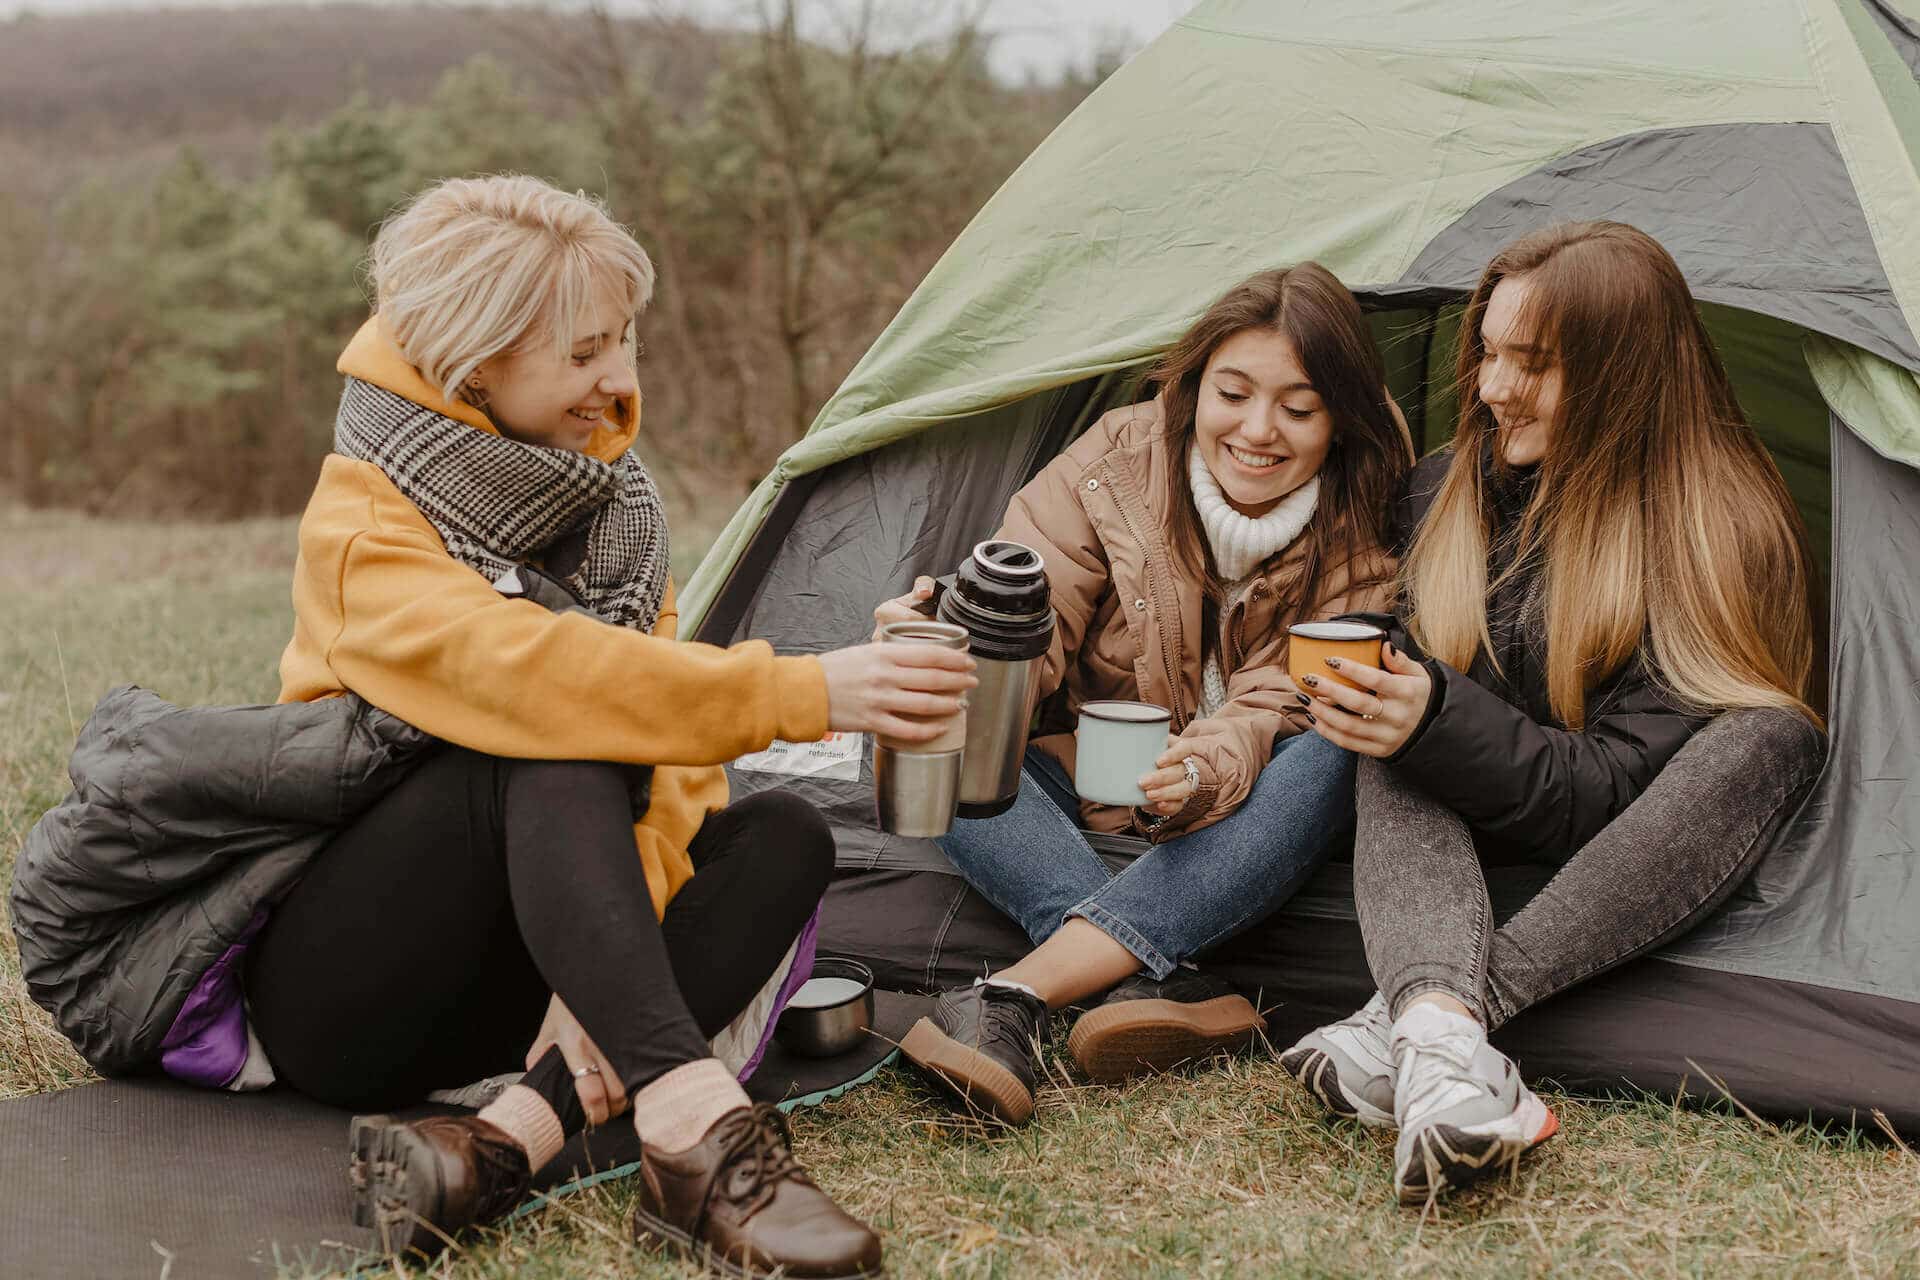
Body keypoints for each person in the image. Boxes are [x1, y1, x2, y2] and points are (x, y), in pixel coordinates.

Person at [242, 175, 976, 1275]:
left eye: (625, 340)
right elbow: (543, 677)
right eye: (585, 353)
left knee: (784, 834)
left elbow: (671, 764)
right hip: (353, 988)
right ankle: (694, 1128)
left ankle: (502, 1142)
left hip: (523, 979)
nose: (622, 381)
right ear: (476, 363)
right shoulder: (363, 520)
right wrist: (807, 689)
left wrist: (606, 958)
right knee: (560, 727)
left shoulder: (612, 512)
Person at [1279, 221, 1827, 1206]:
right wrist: (1396, 691)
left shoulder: (1719, 533)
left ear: (1623, 376)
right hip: (1452, 860)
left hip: (1626, 860)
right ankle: (1443, 1040)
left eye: (1532, 363)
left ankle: (1423, 1025)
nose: (1493, 387)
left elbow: (1611, 793)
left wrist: (1434, 718)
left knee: (1773, 734)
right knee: (1392, 714)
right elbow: (1439, 706)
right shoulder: (1448, 487)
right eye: (1488, 352)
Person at [875, 265, 1414, 1125]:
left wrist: (1202, 770)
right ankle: (1145, 978)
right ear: (1192, 387)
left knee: (1343, 740)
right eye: (1232, 394)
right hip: (1089, 782)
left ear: (1340, 419)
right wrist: (949, 653)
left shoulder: (1372, 510)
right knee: (921, 726)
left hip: (1244, 807)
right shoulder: (1111, 468)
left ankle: (1013, 995)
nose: (1258, 431)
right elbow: (1034, 616)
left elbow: (1284, 698)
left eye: (1299, 409)